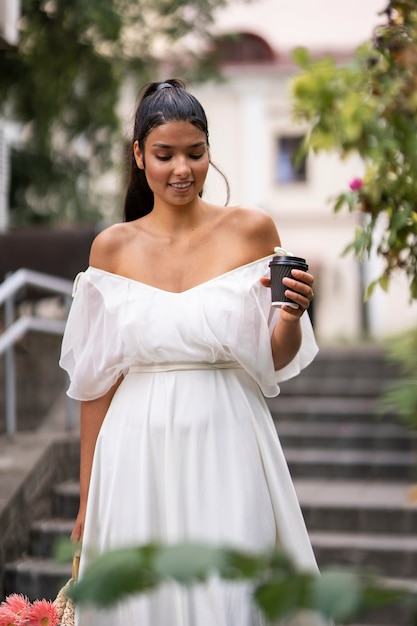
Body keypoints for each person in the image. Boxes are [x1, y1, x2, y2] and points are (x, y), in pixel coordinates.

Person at [60, 79, 324, 626]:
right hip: (134, 451)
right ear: (138, 156)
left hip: (228, 438)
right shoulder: (111, 248)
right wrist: (88, 501)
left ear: (209, 153)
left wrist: (293, 316)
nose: (182, 168)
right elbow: (95, 384)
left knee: (233, 592)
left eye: (195, 153)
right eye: (164, 155)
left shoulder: (251, 231)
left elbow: (274, 359)